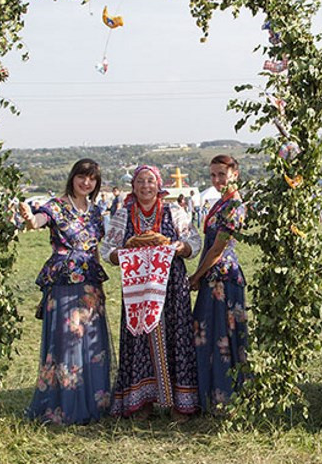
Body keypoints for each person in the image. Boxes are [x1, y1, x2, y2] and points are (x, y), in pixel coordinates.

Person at [101, 165, 202, 421]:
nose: (146, 186)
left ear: (158, 185)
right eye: (140, 182)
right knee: (139, 340)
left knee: (175, 336)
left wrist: (179, 247)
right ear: (133, 187)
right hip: (137, 290)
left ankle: (181, 403)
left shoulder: (173, 211)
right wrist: (124, 254)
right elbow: (107, 248)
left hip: (171, 285)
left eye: (150, 181)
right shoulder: (124, 215)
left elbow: (194, 241)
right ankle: (141, 402)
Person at [17, 159, 113, 426]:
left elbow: (94, 249)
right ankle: (65, 404)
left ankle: (94, 401)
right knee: (67, 341)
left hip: (91, 284)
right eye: (82, 177)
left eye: (92, 179)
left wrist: (100, 287)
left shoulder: (96, 212)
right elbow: (39, 220)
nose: (86, 182)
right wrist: (28, 218)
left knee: (91, 344)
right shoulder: (56, 205)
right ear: (73, 178)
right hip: (63, 282)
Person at [188, 154, 249, 414]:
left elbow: (218, 248)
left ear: (234, 173)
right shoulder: (220, 202)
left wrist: (197, 276)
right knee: (207, 334)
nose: (216, 180)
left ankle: (225, 398)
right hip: (213, 277)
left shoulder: (234, 205)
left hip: (222, 276)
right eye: (212, 175)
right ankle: (209, 395)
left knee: (221, 337)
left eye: (221, 174)